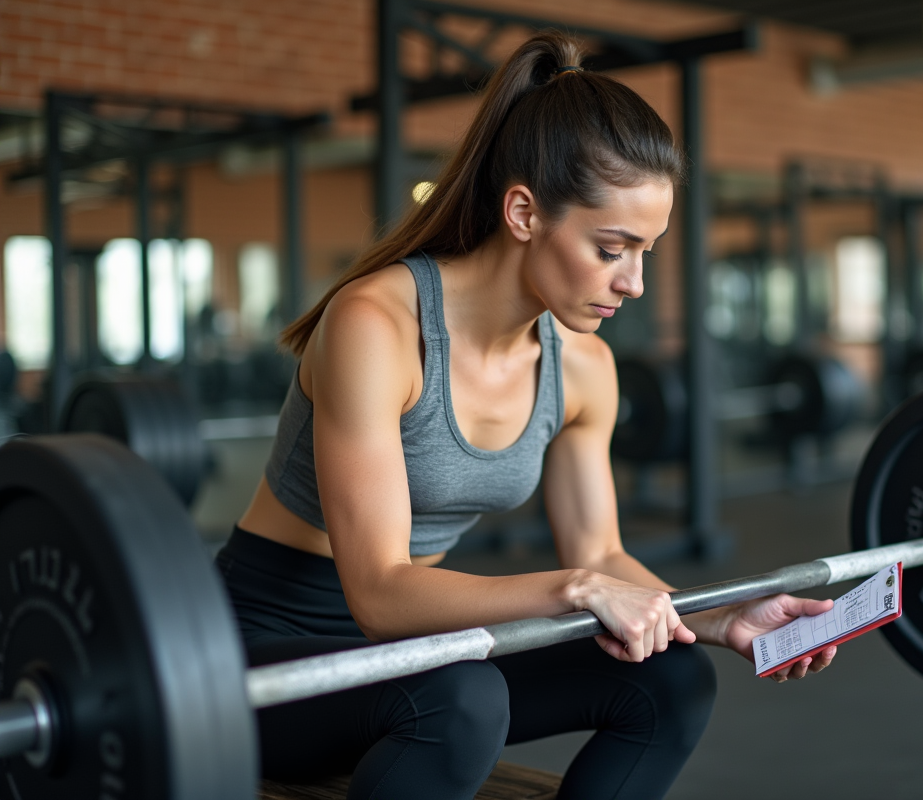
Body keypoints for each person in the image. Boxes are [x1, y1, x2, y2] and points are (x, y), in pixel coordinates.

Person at [216, 31, 837, 800]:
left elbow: (603, 555)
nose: (634, 282)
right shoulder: (377, 326)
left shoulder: (583, 367)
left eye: (646, 251)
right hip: (264, 658)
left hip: (414, 651)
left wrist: (720, 615)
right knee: (462, 699)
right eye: (612, 248)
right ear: (522, 212)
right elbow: (378, 595)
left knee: (672, 679)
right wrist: (576, 588)